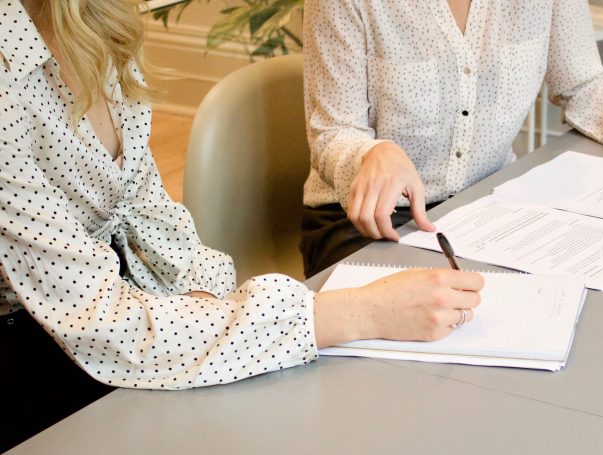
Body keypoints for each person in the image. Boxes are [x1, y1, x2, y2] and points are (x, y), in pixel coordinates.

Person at [0, 0, 483, 450]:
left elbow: (148, 212)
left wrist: (208, 300)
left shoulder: (99, 23)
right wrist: (361, 313)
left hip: (119, 308)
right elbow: (106, 324)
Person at [300, 0, 603, 278]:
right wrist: (372, 154)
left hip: (486, 209)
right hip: (365, 223)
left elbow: (582, 83)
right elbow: (333, 132)